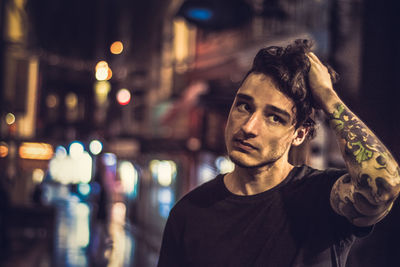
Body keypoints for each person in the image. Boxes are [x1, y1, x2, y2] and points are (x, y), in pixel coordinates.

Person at [157, 39, 400, 267]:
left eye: (274, 117)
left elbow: (385, 183)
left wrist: (328, 96)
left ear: (300, 134)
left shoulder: (324, 198)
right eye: (244, 106)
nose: (248, 127)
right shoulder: (189, 214)